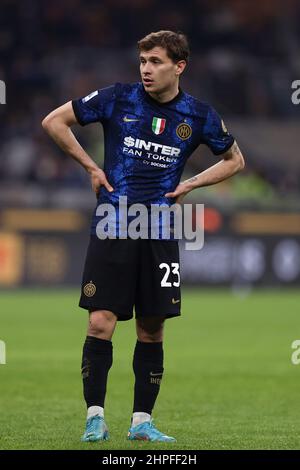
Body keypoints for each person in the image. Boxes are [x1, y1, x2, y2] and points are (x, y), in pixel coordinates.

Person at [42, 30, 245, 443]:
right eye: (143, 62)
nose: (146, 69)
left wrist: (191, 184)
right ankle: (95, 418)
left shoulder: (198, 115)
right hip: (114, 223)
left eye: (155, 62)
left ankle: (141, 423)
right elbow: (54, 122)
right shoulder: (118, 98)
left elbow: (235, 160)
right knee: (100, 322)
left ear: (179, 66)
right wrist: (91, 168)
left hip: (161, 230)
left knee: (152, 330)